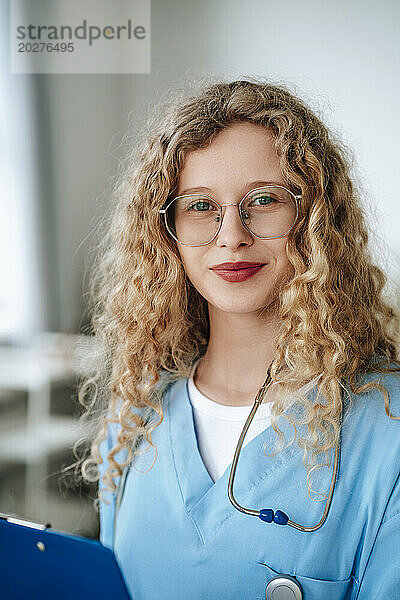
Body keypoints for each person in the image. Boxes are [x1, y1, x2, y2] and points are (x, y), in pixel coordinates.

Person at [79, 78, 400, 600]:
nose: (232, 234)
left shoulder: (386, 432)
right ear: (167, 234)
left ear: (316, 219)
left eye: (266, 200)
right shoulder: (136, 415)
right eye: (201, 206)